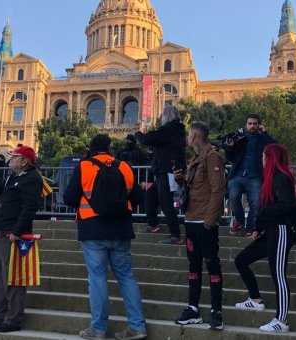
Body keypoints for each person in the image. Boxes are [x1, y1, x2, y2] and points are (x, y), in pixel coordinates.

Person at [63, 134, 147, 340]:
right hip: (120, 229)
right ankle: (137, 326)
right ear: (110, 147)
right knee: (126, 277)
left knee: (97, 278)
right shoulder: (124, 166)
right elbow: (137, 197)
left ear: (90, 147)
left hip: (93, 230)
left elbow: (69, 198)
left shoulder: (84, 166)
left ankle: (98, 329)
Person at [0, 145, 42, 333]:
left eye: (14, 157)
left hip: (12, 234)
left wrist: (18, 231)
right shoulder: (14, 176)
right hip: (1, 229)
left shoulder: (32, 178)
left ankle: (13, 319)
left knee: (13, 276)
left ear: (24, 161)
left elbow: (29, 207)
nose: (10, 159)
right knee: (0, 276)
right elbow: (2, 194)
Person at [234, 144, 296, 333]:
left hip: (281, 231)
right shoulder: (270, 178)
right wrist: (259, 226)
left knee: (278, 276)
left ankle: (282, 320)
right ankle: (255, 299)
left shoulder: (282, 177)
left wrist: (262, 219)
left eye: (263, 156)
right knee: (241, 260)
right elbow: (266, 207)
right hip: (270, 231)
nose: (261, 159)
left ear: (270, 158)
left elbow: (286, 206)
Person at [173, 122, 226, 331]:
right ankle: (193, 309)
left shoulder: (212, 157)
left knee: (212, 265)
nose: (187, 138)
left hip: (204, 222)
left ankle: (216, 311)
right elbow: (195, 188)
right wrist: (181, 180)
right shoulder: (195, 159)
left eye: (188, 135)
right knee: (193, 267)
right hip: (191, 219)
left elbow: (218, 191)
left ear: (194, 136)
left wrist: (209, 222)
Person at [135, 106, 186, 244]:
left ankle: (175, 234)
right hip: (166, 169)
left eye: (162, 115)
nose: (161, 117)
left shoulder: (169, 129)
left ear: (167, 116)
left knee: (165, 203)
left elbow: (148, 139)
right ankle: (153, 225)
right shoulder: (176, 130)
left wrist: (139, 133)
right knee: (150, 195)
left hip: (167, 170)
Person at [224, 114, 277, 237]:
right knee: (233, 197)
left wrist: (265, 133)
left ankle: (250, 227)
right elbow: (229, 158)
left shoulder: (263, 139)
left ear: (259, 125)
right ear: (246, 125)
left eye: (255, 123)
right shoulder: (239, 138)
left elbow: (275, 146)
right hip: (237, 175)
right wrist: (229, 148)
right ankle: (239, 221)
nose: (252, 126)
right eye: (250, 124)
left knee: (255, 203)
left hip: (255, 176)